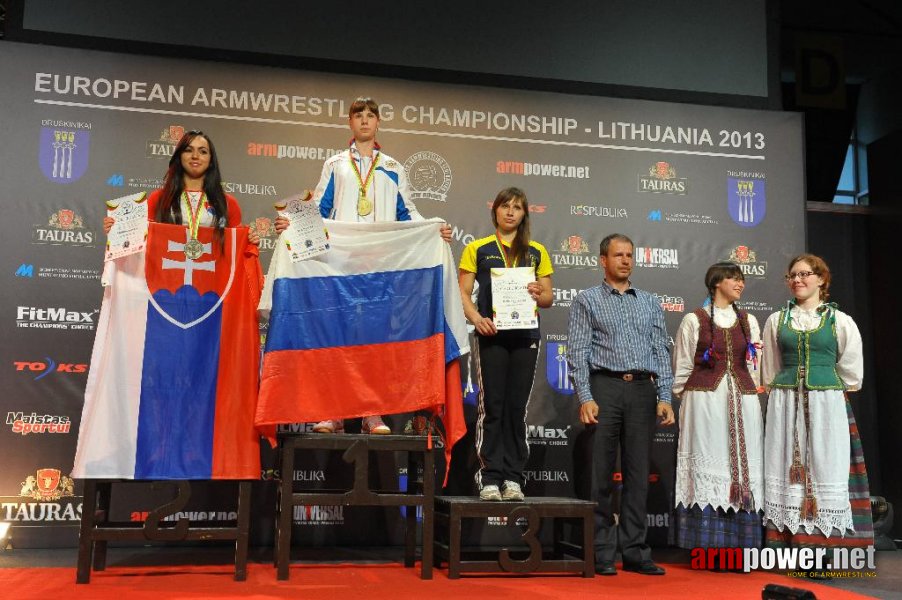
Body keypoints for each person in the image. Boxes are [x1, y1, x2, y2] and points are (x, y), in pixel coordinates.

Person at [274, 97, 452, 435]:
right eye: (359, 115)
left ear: (378, 122)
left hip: (380, 268)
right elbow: (322, 209)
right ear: (350, 123)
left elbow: (407, 214)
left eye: (371, 115)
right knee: (336, 337)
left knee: (375, 340)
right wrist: (294, 226)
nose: (365, 121)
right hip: (340, 265)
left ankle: (373, 413)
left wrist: (433, 229)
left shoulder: (393, 167)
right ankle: (334, 412)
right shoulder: (336, 164)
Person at [567, 233, 675, 576]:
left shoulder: (650, 301)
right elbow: (578, 352)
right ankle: (601, 551)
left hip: (644, 389)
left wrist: (665, 397)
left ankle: (634, 551)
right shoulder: (587, 300)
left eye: (629, 255)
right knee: (600, 474)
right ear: (603, 259)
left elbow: (661, 350)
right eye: (618, 255)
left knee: (638, 475)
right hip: (605, 387)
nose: (625, 260)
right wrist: (585, 396)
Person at [760, 254, 873, 550]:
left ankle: (822, 547)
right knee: (786, 464)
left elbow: (851, 370)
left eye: (804, 274)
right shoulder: (777, 319)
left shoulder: (839, 320)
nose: (797, 280)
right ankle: (787, 542)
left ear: (821, 279)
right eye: (792, 275)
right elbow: (770, 368)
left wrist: (825, 387)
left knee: (825, 465)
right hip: (786, 402)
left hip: (825, 402)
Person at [458, 187, 553, 502]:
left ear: (525, 213)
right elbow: (462, 293)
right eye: (505, 206)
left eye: (518, 207)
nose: (511, 212)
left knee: (516, 408)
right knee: (493, 407)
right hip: (491, 336)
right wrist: (476, 318)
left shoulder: (536, 251)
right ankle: (489, 477)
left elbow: (549, 298)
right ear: (495, 210)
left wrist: (539, 291)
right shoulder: (478, 249)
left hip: (526, 337)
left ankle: (513, 478)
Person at [671, 262, 764, 555]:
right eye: (734, 278)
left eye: (742, 279)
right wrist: (686, 403)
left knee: (742, 461)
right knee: (709, 458)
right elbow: (683, 366)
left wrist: (748, 392)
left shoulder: (749, 321)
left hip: (743, 399)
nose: (740, 284)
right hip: (705, 402)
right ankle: (706, 542)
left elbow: (754, 367)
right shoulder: (694, 319)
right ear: (716, 283)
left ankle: (742, 542)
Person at [103, 130, 259, 245]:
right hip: (167, 279)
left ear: (211, 160)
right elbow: (140, 241)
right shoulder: (159, 198)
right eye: (188, 150)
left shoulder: (227, 202)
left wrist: (250, 241)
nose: (195, 156)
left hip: (212, 280)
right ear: (179, 157)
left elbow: (236, 249)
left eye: (203, 151)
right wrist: (119, 230)